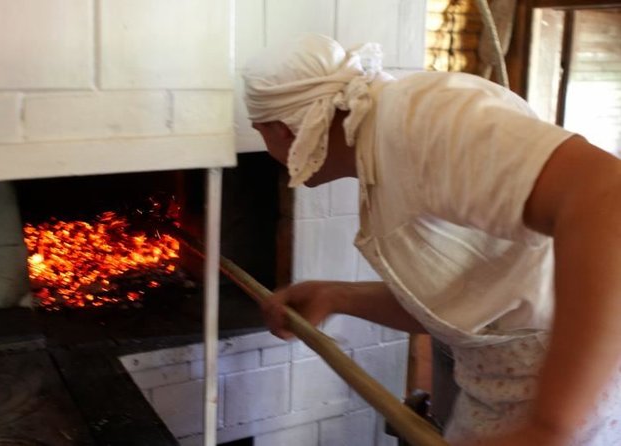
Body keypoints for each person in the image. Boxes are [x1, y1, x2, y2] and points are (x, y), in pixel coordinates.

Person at [242, 34, 621, 446]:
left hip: (571, 399)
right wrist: (337, 296)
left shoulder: (419, 121)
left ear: (278, 130)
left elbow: (606, 194)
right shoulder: (380, 146)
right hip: (496, 394)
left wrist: (550, 428)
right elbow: (475, 302)